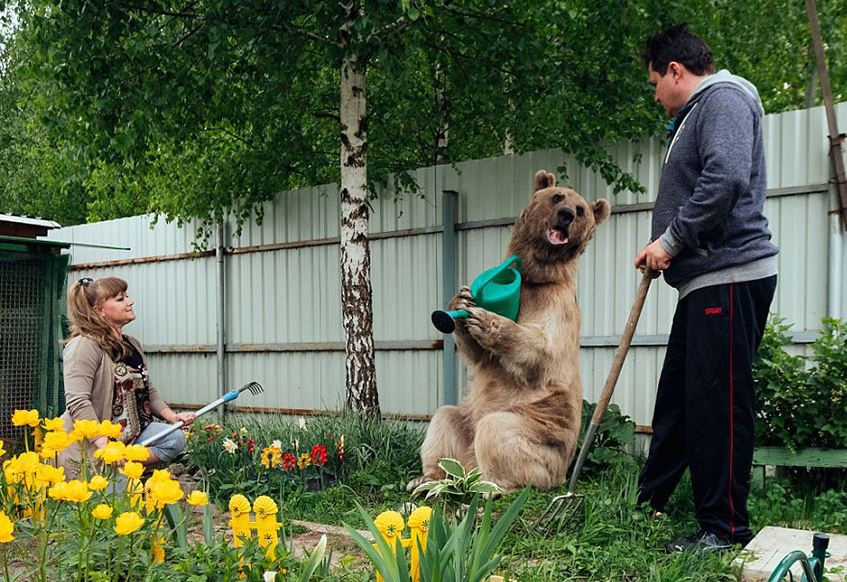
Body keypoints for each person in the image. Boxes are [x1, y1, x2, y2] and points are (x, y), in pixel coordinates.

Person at [634, 24, 779, 553]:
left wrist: (669, 241)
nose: (655, 95)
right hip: (705, 281)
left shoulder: (724, 100)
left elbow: (725, 179)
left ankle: (725, 529)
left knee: (719, 406)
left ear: (676, 71)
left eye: (655, 82)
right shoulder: (701, 112)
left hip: (731, 276)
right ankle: (649, 503)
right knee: (679, 399)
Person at [58, 276, 195, 476]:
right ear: (99, 311)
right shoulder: (84, 346)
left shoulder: (133, 344)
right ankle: (115, 468)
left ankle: (126, 466)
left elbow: (149, 391)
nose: (130, 302)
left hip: (133, 436)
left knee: (174, 438)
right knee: (112, 503)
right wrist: (103, 444)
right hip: (94, 442)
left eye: (127, 297)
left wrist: (172, 417)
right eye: (120, 299)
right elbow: (78, 401)